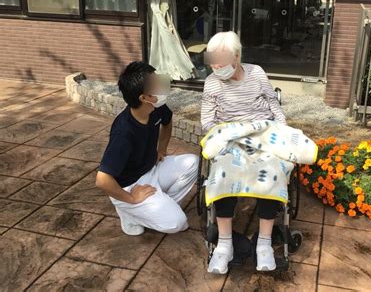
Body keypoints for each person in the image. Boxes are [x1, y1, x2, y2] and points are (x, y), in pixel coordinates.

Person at [201, 31, 286, 274]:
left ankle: (264, 244)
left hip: (263, 134)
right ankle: (225, 245)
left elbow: (273, 104)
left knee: (273, 170)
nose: (216, 66)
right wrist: (232, 132)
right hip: (230, 139)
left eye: (222, 60)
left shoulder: (257, 73)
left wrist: (281, 127)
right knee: (223, 173)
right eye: (213, 60)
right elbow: (207, 122)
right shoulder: (211, 83)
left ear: (237, 56)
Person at [96, 61, 198, 235]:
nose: (163, 83)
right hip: (130, 185)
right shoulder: (124, 133)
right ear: (145, 98)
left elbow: (167, 122)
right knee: (178, 223)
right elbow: (102, 180)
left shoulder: (156, 108)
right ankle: (130, 212)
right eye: (157, 82)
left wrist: (162, 149)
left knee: (193, 162)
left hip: (151, 168)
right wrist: (131, 198)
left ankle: (157, 208)